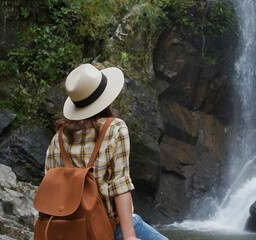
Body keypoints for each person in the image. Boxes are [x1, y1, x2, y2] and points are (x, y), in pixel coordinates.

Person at [44, 64, 168, 240]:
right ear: (106, 98)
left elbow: (51, 185)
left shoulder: (58, 138)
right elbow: (120, 185)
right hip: (106, 227)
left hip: (69, 230)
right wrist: (130, 237)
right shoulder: (115, 128)